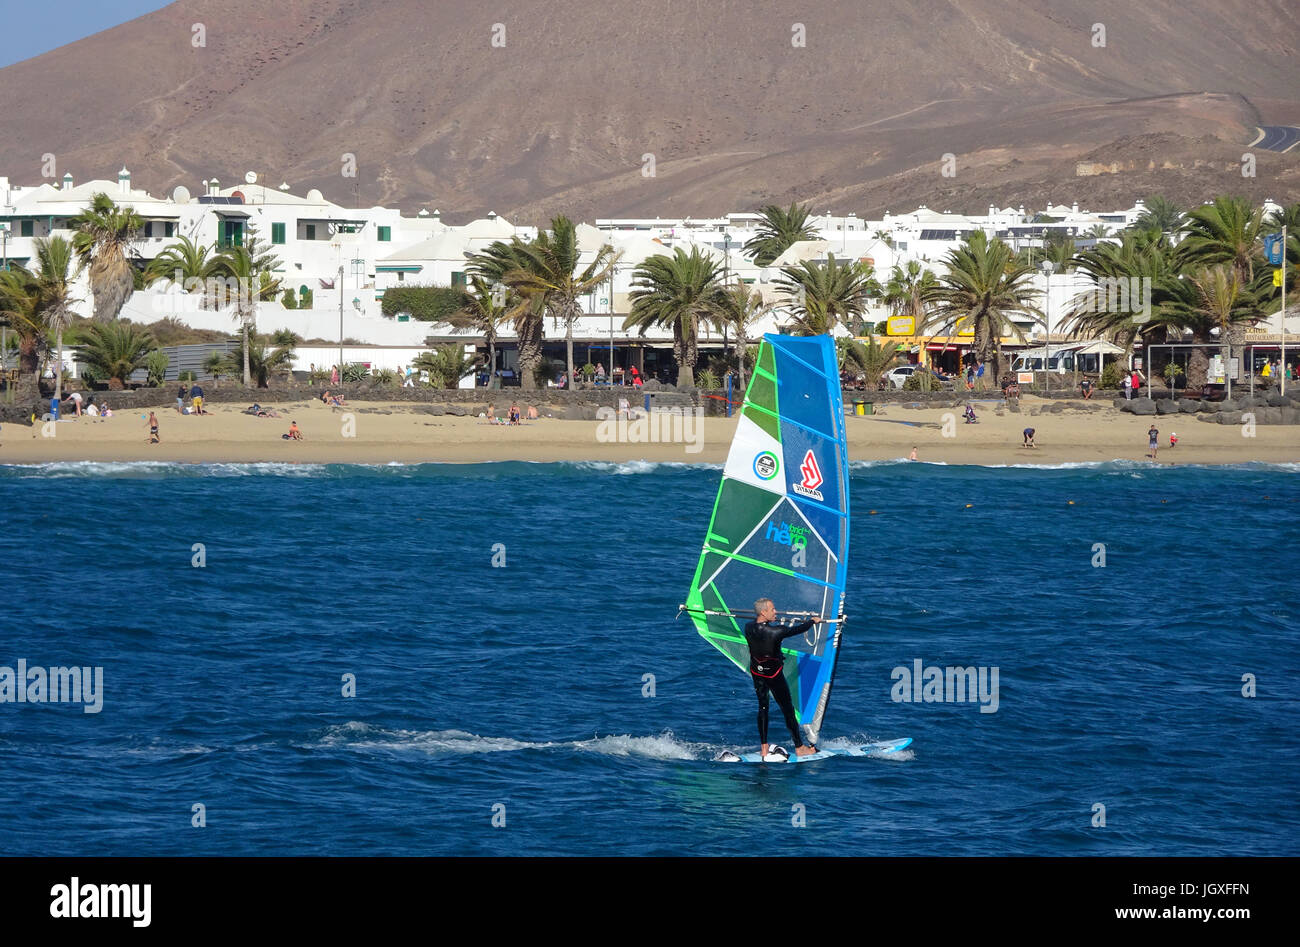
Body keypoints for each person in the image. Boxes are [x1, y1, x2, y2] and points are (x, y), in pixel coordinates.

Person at [744, 598, 820, 759]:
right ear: (763, 612)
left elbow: (758, 627)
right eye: (772, 609)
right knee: (788, 710)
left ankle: (764, 748)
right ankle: (800, 747)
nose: (776, 611)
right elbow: (798, 629)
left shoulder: (748, 627)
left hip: (757, 673)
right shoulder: (777, 631)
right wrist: (812, 621)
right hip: (773, 675)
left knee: (763, 707)